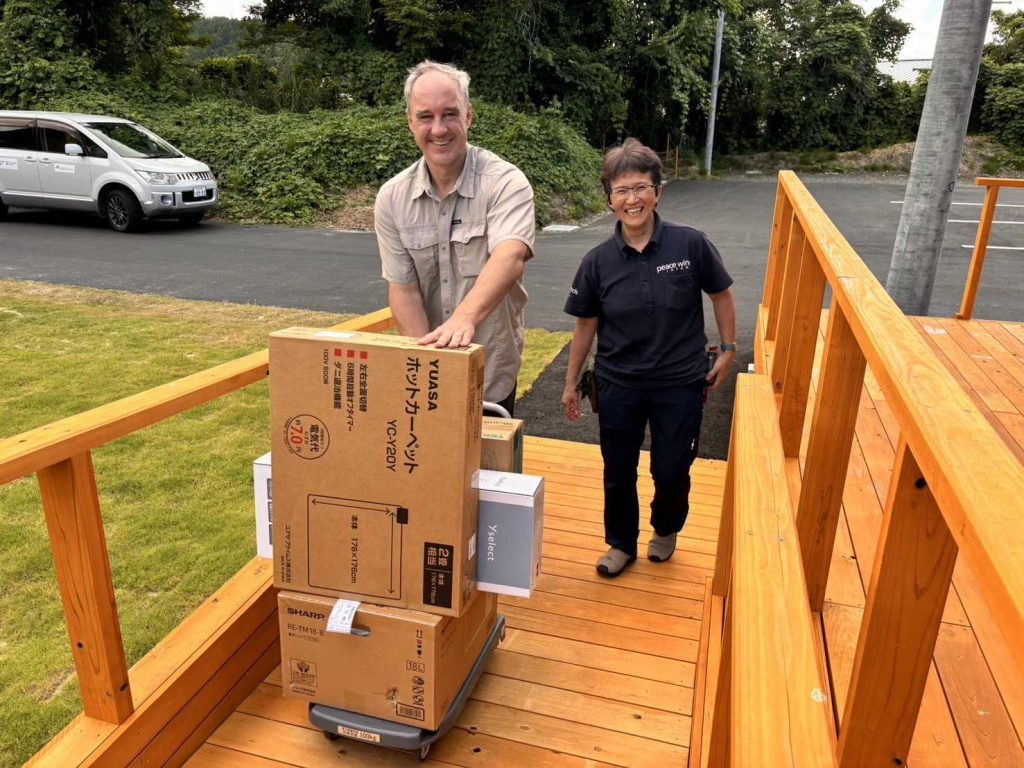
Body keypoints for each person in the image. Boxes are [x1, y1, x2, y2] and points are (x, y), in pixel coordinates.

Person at [561, 138, 736, 577]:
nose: (632, 199)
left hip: (680, 382)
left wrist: (729, 349)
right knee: (618, 470)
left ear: (658, 192)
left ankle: (665, 528)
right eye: (621, 191)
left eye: (640, 188)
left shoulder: (689, 244)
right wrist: (570, 382)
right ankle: (620, 543)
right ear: (610, 200)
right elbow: (585, 325)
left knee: (672, 469)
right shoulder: (597, 261)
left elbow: (721, 294)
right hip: (619, 383)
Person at [375, 60, 535, 415]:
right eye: (425, 116)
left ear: (469, 117)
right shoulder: (392, 198)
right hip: (427, 381)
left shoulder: (506, 183)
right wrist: (430, 363)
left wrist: (464, 318)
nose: (439, 129)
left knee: (487, 471)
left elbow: (510, 257)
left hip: (490, 376)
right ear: (410, 122)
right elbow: (403, 288)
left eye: (450, 114)